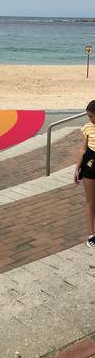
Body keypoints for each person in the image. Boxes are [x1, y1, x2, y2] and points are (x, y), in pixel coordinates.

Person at [74, 100, 95, 248]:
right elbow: (82, 149)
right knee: (90, 201)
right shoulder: (87, 128)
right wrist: (77, 168)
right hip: (90, 166)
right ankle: (91, 234)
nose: (90, 119)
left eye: (92, 116)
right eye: (89, 116)